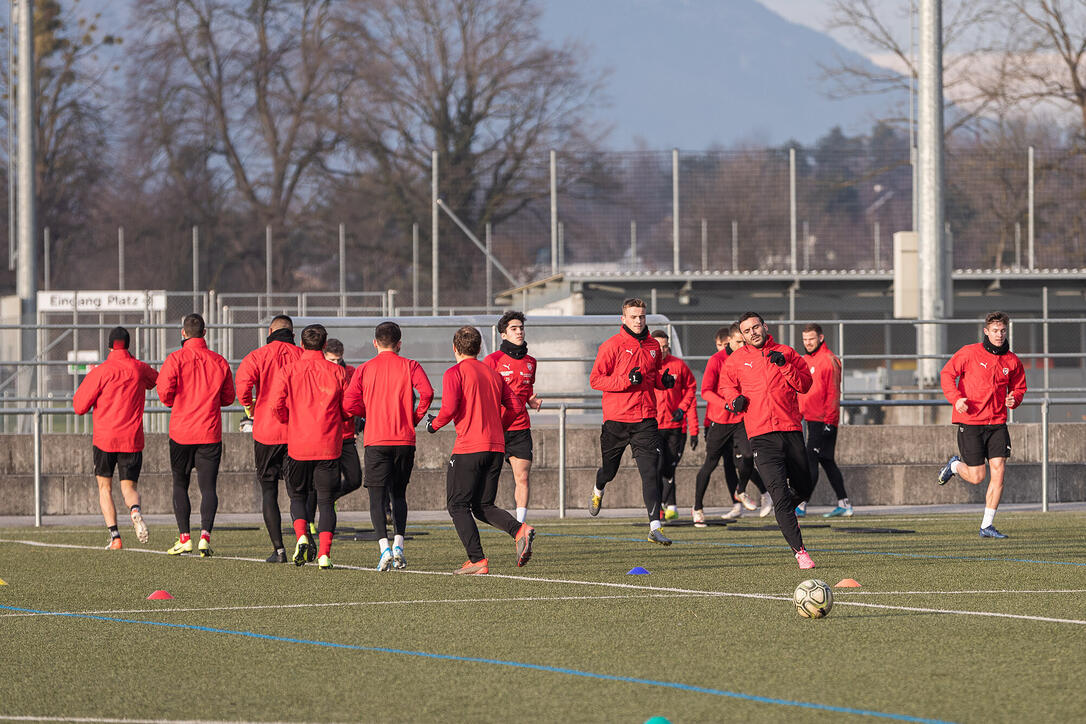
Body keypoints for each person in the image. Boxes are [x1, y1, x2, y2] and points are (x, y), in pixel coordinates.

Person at [426, 325, 532, 575]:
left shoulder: (455, 372)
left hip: (469, 448)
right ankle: (519, 530)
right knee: (482, 505)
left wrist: (433, 425)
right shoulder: (493, 374)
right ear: (480, 348)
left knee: (457, 505)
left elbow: (449, 409)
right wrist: (497, 425)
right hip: (496, 448)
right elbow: (516, 406)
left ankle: (477, 560)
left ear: (454, 348)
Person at [719, 312, 816, 569]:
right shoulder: (736, 360)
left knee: (805, 486)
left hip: (791, 430)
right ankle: (801, 552)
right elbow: (726, 387)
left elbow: (805, 384)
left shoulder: (786, 352)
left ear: (765, 326)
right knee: (779, 494)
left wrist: (784, 364)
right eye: (747, 330)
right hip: (761, 436)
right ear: (742, 335)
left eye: (756, 327)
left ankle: (783, 510)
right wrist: (733, 401)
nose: (753, 332)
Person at [343, 321, 434, 570]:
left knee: (376, 496)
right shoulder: (410, 365)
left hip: (376, 440)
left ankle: (383, 549)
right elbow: (427, 393)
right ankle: (399, 546)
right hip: (404, 439)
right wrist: (414, 417)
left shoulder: (364, 369)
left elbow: (348, 403)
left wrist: (368, 412)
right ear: (399, 344)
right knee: (398, 494)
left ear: (375, 343)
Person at [588, 298, 676, 545]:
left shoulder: (652, 346)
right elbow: (595, 380)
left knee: (650, 472)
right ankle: (598, 488)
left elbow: (652, 377)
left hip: (646, 420)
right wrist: (626, 380)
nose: (638, 321)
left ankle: (654, 527)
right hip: (616, 421)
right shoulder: (611, 346)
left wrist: (663, 382)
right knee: (609, 471)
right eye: (634, 317)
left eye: (642, 316)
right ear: (623, 319)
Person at [937, 311, 1027, 538]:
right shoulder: (969, 353)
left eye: (1003, 331)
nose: (999, 335)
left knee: (999, 472)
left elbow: (1019, 387)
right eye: (995, 331)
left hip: (997, 423)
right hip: (971, 422)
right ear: (986, 331)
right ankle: (955, 466)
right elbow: (947, 374)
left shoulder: (1012, 361)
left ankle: (987, 525)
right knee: (977, 476)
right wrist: (956, 398)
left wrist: (1014, 399)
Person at [270, 324, 349, 569]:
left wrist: (288, 420)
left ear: (302, 345)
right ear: (325, 346)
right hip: (328, 444)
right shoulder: (338, 372)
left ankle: (302, 536)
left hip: (298, 444)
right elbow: (349, 408)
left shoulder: (289, 370)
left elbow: (276, 404)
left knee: (297, 496)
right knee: (326, 501)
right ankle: (324, 554)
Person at [73, 327, 158, 549]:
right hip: (131, 438)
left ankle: (115, 537)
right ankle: (135, 511)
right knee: (129, 488)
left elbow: (79, 406)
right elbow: (156, 381)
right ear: (128, 345)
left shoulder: (101, 371)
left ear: (110, 346)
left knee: (105, 488)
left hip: (105, 439)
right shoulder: (139, 368)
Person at [158, 314, 235, 558]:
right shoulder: (219, 361)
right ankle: (205, 536)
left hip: (181, 431)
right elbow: (228, 397)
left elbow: (164, 394)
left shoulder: (175, 358)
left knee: (180, 484)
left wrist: (177, 401)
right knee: (208, 487)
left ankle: (184, 538)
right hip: (209, 432)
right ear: (204, 333)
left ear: (183, 333)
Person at [234, 314, 302, 562]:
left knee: (268, 491)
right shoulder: (301, 355)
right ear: (292, 334)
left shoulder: (258, 355)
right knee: (297, 492)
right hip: (296, 432)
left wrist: (250, 407)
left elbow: (242, 386)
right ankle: (303, 537)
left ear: (270, 330)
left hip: (266, 431)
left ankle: (279, 549)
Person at [694, 323, 770, 527]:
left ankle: (741, 491)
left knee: (747, 456)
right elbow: (706, 391)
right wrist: (727, 404)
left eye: (744, 341)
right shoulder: (716, 360)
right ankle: (697, 508)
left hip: (740, 420)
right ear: (730, 341)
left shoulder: (748, 357)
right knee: (710, 465)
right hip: (719, 421)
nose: (742, 345)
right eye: (738, 342)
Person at [483, 311, 541, 524]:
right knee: (488, 481)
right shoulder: (492, 360)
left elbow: (526, 392)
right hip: (495, 430)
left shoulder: (531, 362)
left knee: (523, 477)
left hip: (520, 428)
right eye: (514, 329)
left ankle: (521, 525)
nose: (519, 332)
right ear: (503, 335)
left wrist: (532, 402)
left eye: (521, 328)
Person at [797, 323, 852, 518]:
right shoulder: (805, 360)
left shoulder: (829, 360)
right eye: (804, 339)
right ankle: (844, 503)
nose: (808, 343)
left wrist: (830, 422)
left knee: (811, 460)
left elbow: (833, 394)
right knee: (827, 461)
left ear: (820, 338)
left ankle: (801, 503)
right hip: (810, 419)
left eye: (811, 339)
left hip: (824, 421)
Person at [650, 330, 698, 522]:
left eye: (665, 346)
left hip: (676, 428)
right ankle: (662, 506)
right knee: (658, 467)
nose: (662, 350)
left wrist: (682, 409)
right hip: (654, 426)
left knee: (669, 467)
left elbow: (691, 389)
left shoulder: (678, 365)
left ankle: (670, 505)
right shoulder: (646, 366)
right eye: (658, 346)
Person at [323, 338, 363, 507]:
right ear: (324, 356)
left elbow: (356, 400)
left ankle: (328, 500)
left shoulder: (350, 372)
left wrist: (356, 423)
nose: (336, 363)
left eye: (338, 359)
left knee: (355, 479)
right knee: (323, 482)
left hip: (346, 435)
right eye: (332, 360)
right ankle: (310, 521)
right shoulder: (320, 373)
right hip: (325, 435)